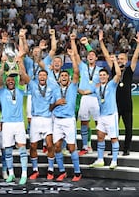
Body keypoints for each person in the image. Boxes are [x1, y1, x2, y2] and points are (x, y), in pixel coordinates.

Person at [100, 30, 139, 156]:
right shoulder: (114, 70)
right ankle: (115, 149)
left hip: (127, 104)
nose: (120, 60)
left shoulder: (129, 70)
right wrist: (101, 42)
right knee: (114, 129)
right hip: (115, 104)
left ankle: (126, 149)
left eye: (122, 59)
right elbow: (107, 56)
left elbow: (135, 57)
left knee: (128, 128)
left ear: (126, 60)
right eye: (118, 58)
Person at [50, 33, 82, 182]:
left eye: (65, 76)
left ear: (68, 79)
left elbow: (76, 72)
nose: (64, 78)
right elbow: (50, 107)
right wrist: (56, 103)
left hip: (69, 121)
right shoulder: (55, 89)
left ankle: (77, 172)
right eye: (62, 76)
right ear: (59, 78)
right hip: (57, 120)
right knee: (57, 146)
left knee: (71, 148)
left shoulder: (73, 87)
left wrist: (72, 57)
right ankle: (62, 171)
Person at [0, 48, 30, 185]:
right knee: (8, 150)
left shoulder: (20, 89)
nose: (10, 81)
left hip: (18, 123)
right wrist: (2, 65)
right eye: (8, 79)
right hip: (7, 124)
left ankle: (24, 174)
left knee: (22, 149)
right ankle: (11, 174)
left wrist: (20, 62)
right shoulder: (2, 90)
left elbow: (23, 78)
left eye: (12, 79)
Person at [27, 69, 60, 180]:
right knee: (33, 146)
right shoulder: (32, 85)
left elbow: (54, 104)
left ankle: (50, 170)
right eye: (40, 75)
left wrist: (55, 104)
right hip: (35, 119)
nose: (42, 77)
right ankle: (35, 170)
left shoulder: (52, 87)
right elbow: (23, 74)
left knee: (50, 145)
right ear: (37, 77)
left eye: (44, 75)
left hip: (47, 119)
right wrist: (20, 59)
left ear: (47, 77)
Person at [89, 55, 121, 169]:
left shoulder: (112, 85)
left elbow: (118, 74)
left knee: (113, 138)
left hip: (111, 115)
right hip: (101, 116)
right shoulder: (97, 88)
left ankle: (114, 160)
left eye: (104, 75)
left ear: (107, 76)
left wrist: (115, 62)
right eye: (100, 75)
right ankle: (100, 159)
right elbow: (85, 91)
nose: (102, 76)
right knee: (100, 136)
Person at [76, 37, 102, 155]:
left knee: (99, 123)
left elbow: (101, 84)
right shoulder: (83, 67)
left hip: (95, 98)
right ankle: (86, 146)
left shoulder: (100, 70)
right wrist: (74, 42)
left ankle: (101, 146)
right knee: (84, 123)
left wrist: (90, 90)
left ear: (96, 58)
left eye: (93, 55)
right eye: (88, 55)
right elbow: (76, 56)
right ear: (86, 58)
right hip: (85, 99)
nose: (91, 56)